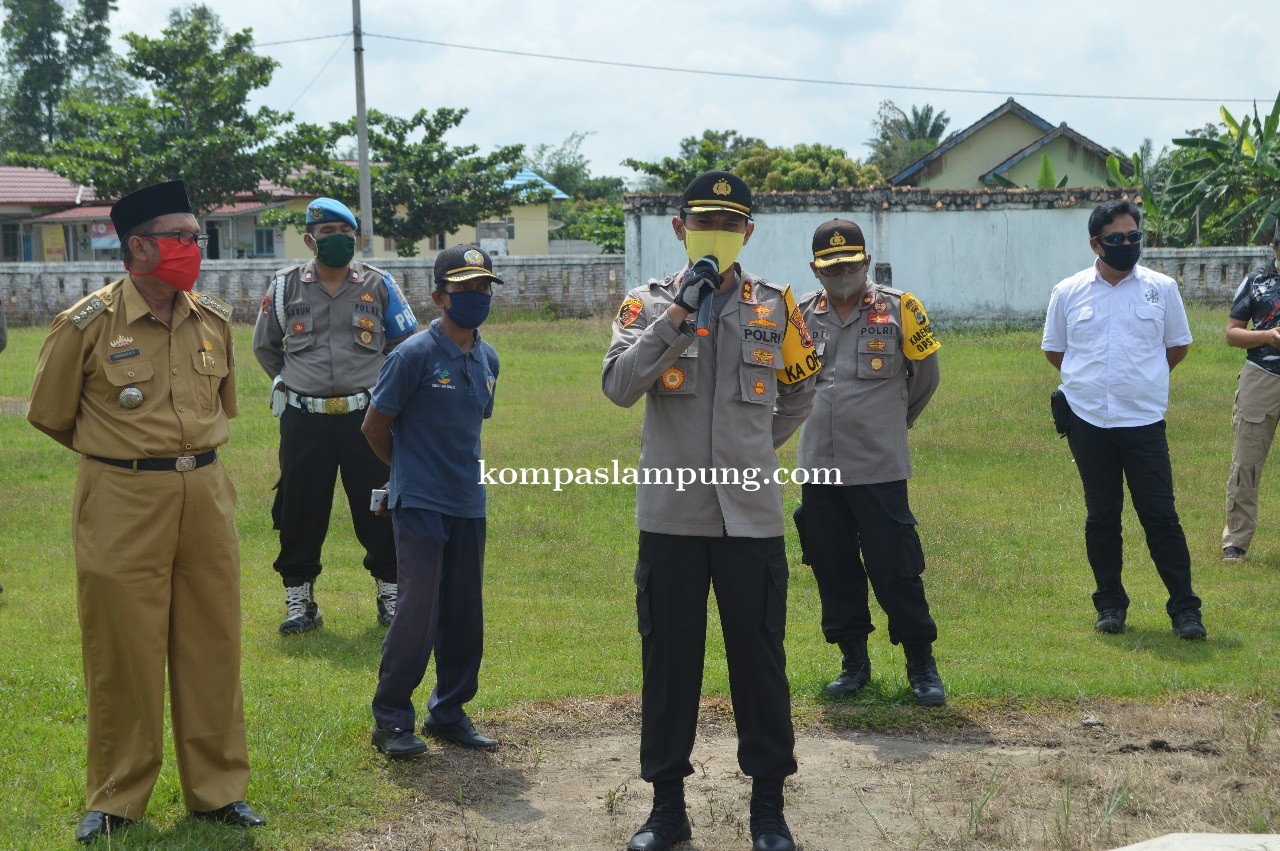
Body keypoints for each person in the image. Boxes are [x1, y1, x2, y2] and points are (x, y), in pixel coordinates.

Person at [26, 179, 264, 843]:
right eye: (180, 237)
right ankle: (116, 798)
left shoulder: (211, 321)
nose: (194, 248)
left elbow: (222, 409)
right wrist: (122, 455)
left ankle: (217, 791)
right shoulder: (88, 323)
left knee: (212, 644)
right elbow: (50, 414)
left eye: (198, 237)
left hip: (206, 496)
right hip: (123, 498)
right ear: (138, 246)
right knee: (123, 650)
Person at [603, 171, 818, 851]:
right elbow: (618, 386)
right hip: (672, 519)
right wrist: (676, 317)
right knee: (670, 661)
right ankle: (667, 807)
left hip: (751, 518)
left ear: (748, 232)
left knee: (760, 659)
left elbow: (801, 391)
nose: (716, 235)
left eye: (730, 224)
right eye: (704, 222)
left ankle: (768, 808)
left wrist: (756, 447)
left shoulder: (776, 305)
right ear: (678, 229)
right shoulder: (646, 304)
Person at [792, 219, 946, 707]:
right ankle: (853, 661)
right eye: (831, 267)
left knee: (896, 566)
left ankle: (922, 664)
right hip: (818, 466)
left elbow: (925, 378)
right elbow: (787, 384)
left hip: (878, 465)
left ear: (865, 261)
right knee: (832, 566)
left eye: (851, 264)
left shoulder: (902, 308)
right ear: (816, 269)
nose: (842, 274)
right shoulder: (797, 317)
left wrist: (889, 425)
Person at [1042, 198, 1206, 640]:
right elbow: (1056, 351)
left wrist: (1140, 381)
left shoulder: (1162, 288)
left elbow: (1177, 346)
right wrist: (1097, 385)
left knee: (1160, 515)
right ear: (1096, 244)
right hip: (1088, 421)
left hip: (1143, 422)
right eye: (1117, 239)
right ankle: (1110, 604)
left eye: (1134, 237)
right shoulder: (1068, 292)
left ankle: (1186, 609)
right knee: (1102, 516)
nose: (1128, 245)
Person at [361, 244, 501, 758]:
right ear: (439, 296)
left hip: (468, 501)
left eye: (484, 286)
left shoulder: (488, 358)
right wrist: (405, 472)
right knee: (417, 610)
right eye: (465, 288)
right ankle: (392, 719)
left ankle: (449, 712)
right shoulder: (413, 355)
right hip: (419, 501)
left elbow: (469, 425)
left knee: (465, 612)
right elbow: (375, 425)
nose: (476, 296)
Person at [252, 197, 417, 634]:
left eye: (345, 234)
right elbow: (265, 347)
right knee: (300, 508)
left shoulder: (380, 285)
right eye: (327, 235)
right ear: (310, 240)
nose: (337, 241)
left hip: (367, 417)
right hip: (304, 418)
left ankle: (391, 592)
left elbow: (406, 342)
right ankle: (299, 599)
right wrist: (295, 383)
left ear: (355, 238)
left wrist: (388, 393)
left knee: (379, 504)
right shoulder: (285, 287)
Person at [1222, 222, 1280, 563]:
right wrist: (1268, 336)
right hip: (1261, 377)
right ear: (1274, 247)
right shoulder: (1257, 282)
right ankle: (1236, 543)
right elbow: (1232, 333)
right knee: (1247, 462)